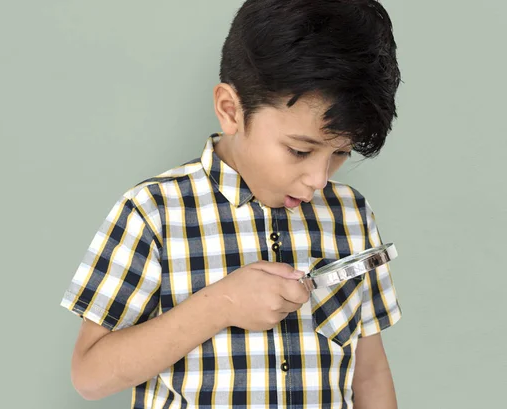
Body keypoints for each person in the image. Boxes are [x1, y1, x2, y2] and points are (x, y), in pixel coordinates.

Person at [59, 0, 403, 407]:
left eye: (340, 153)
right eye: (299, 151)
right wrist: (220, 305)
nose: (318, 180)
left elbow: (370, 372)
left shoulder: (350, 214)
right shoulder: (153, 212)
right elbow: (89, 376)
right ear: (230, 110)